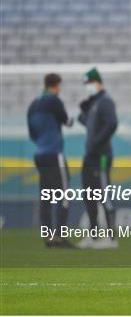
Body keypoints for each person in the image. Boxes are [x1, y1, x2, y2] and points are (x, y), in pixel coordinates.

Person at [27, 73, 73, 248]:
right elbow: (66, 120)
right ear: (55, 85)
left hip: (39, 154)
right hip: (54, 153)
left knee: (45, 197)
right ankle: (60, 237)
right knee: (64, 194)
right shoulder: (54, 101)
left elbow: (32, 133)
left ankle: (48, 237)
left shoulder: (32, 105)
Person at [77, 68, 118, 249]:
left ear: (98, 82)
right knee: (89, 195)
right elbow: (92, 126)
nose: (88, 87)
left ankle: (111, 238)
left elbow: (111, 124)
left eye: (90, 83)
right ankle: (93, 235)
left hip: (101, 155)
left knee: (104, 195)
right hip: (90, 156)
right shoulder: (94, 104)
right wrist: (83, 117)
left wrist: (97, 143)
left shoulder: (105, 101)